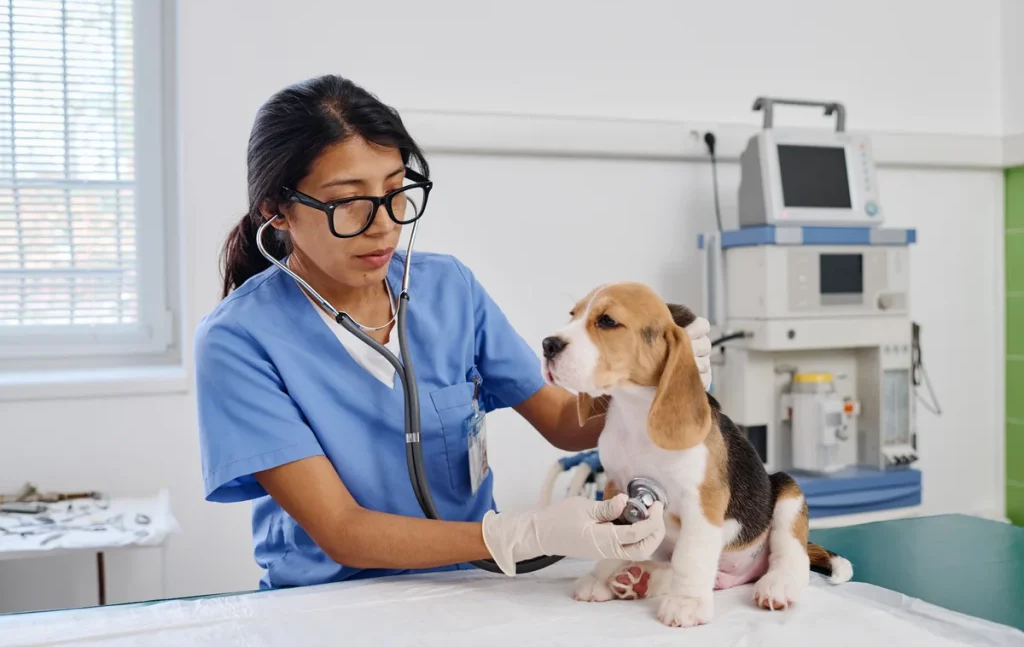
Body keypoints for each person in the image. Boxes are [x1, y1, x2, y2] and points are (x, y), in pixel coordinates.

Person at [194, 74, 714, 589]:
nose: (383, 224)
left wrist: (659, 379)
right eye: (347, 200)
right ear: (276, 211)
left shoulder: (448, 290)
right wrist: (519, 535)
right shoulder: (239, 341)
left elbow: (564, 420)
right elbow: (342, 531)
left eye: (397, 192)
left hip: (469, 591)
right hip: (329, 606)